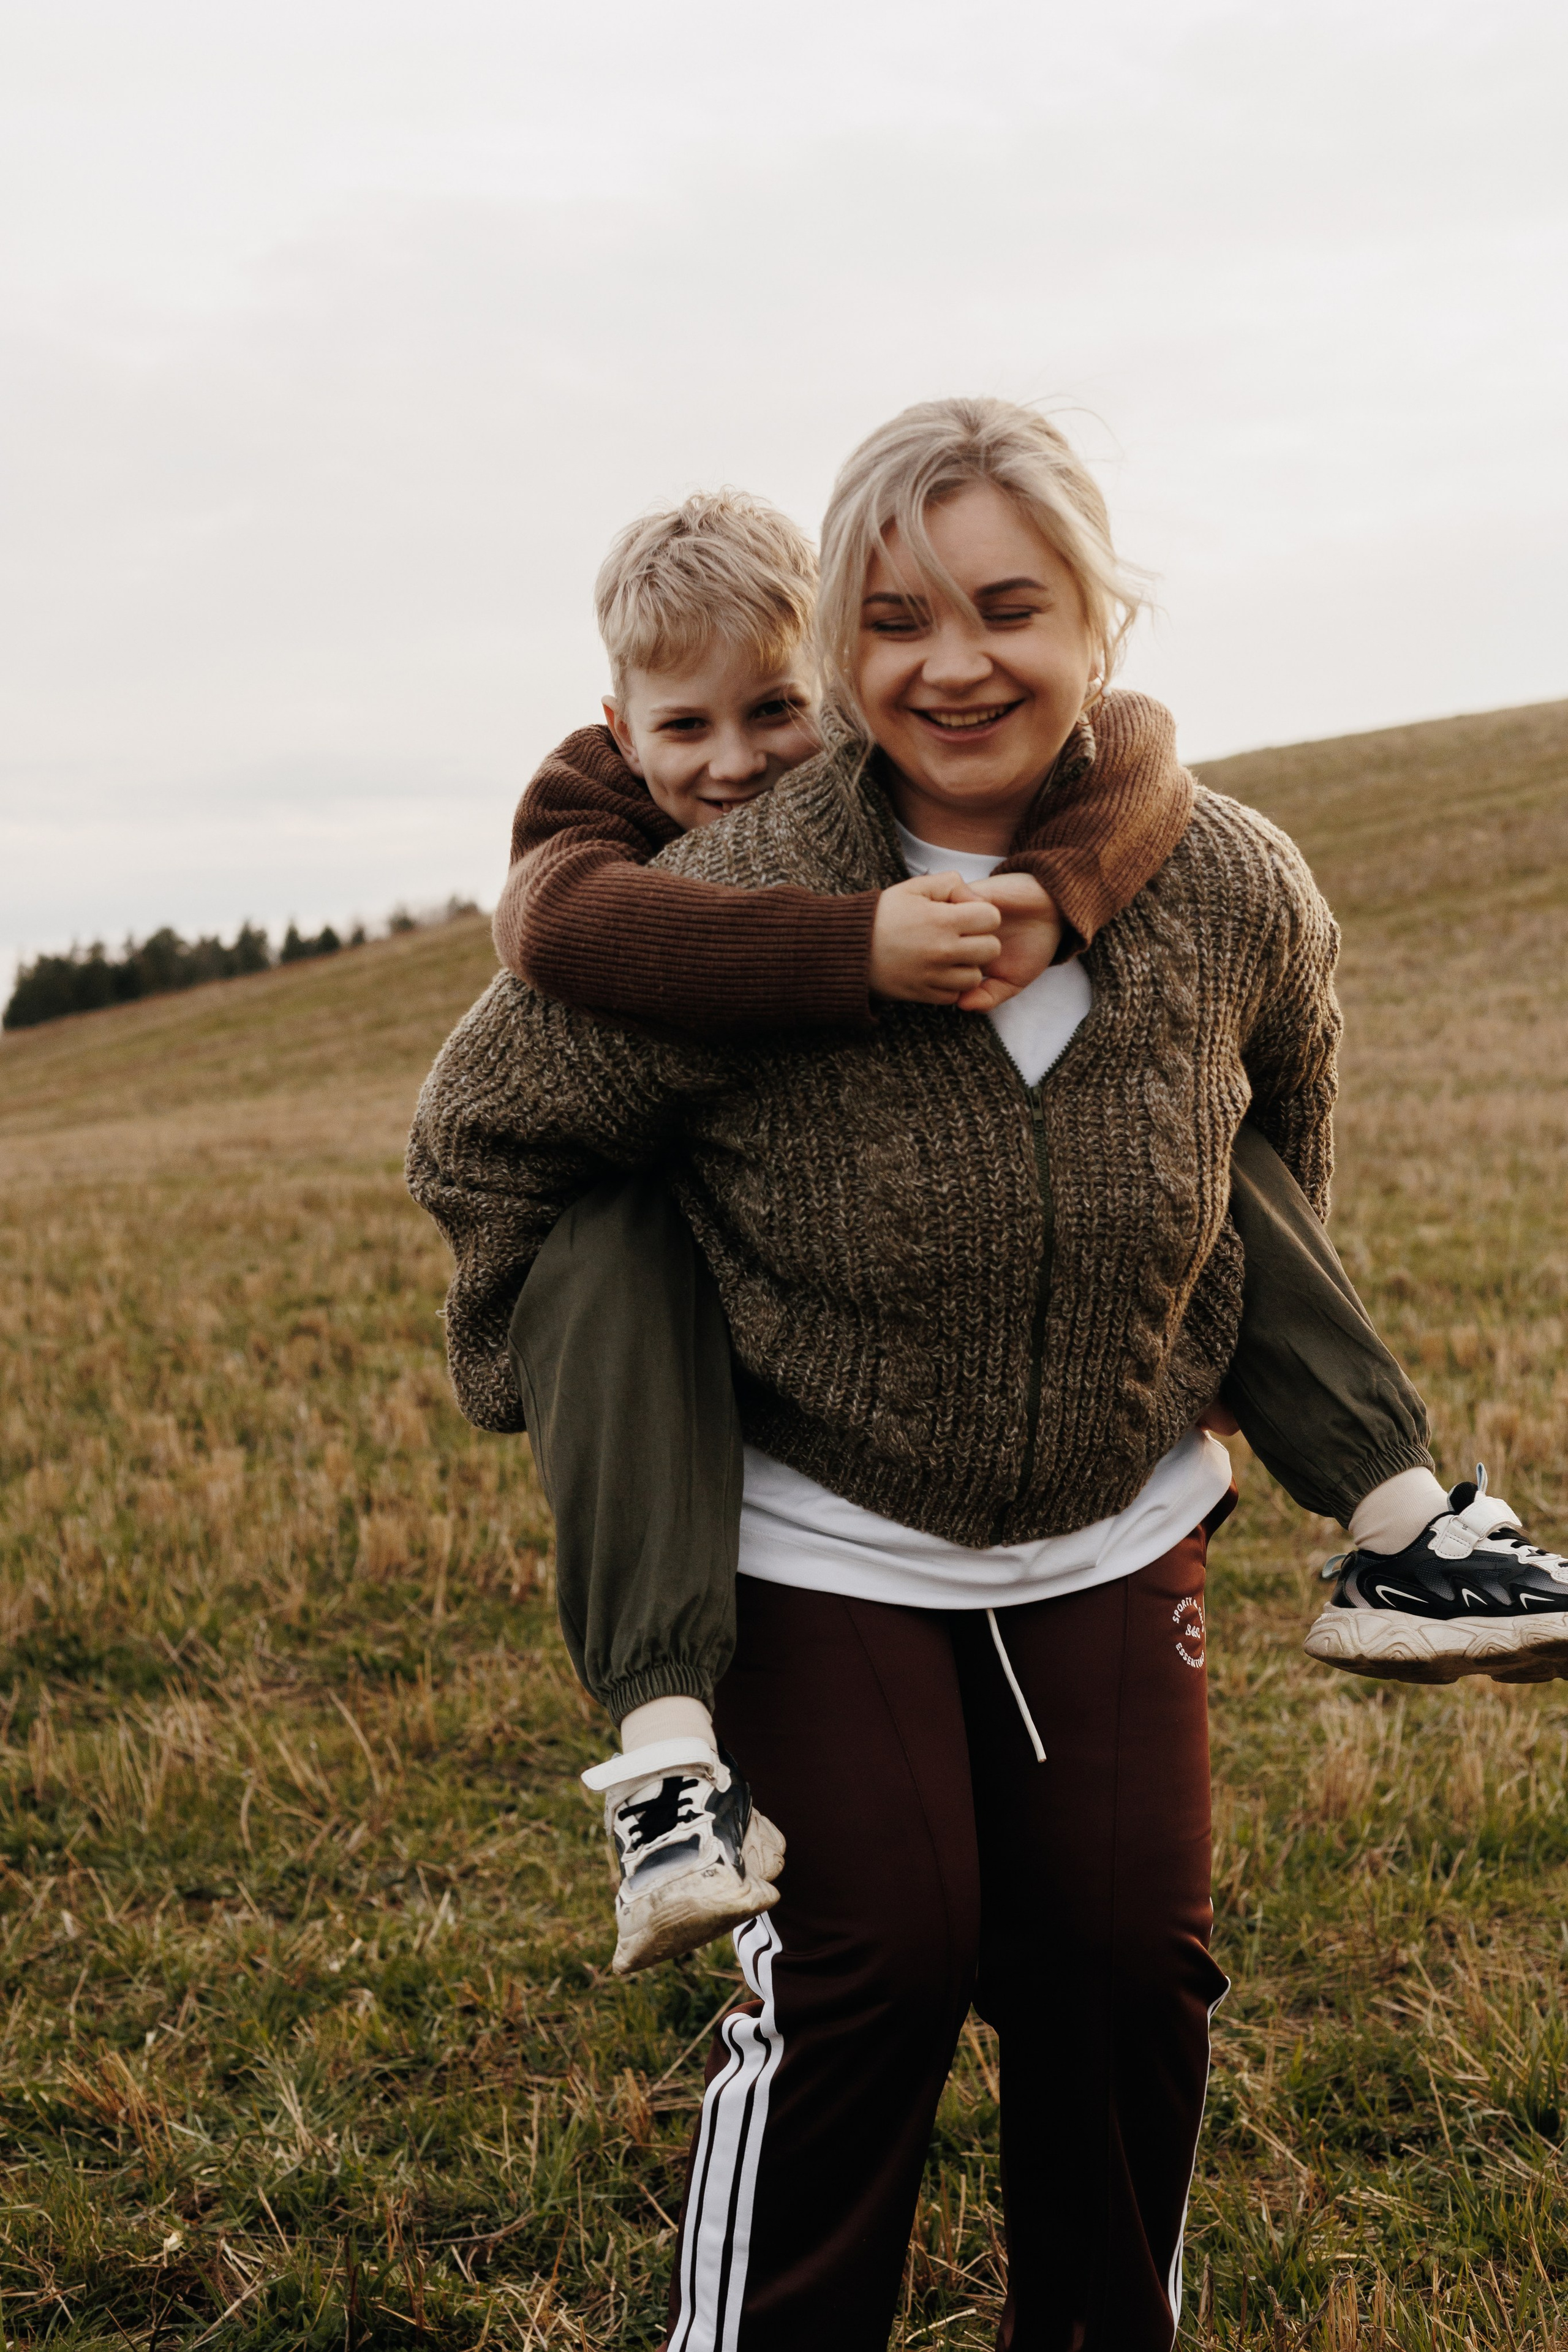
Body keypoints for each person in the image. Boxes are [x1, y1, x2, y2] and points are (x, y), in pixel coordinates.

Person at [409, 397, 1568, 2346]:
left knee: (1125, 1978)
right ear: (842, 651)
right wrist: (604, 1354)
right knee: (872, 1969)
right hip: (817, 1524)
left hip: (1114, 1520)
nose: (954, 664)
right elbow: (486, 1132)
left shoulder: (1223, 877)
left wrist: (1208, 1343)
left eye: (1008, 608)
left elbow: (1284, 1113)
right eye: (896, 621)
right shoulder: (721, 903)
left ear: (1101, 621)